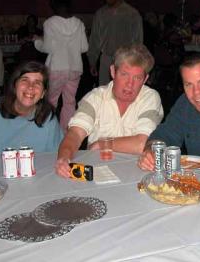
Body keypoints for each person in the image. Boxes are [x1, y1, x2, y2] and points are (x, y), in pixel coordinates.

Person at [55, 44, 163, 178]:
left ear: (145, 79)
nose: (130, 84)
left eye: (137, 78)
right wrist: (64, 159)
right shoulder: (95, 97)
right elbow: (75, 134)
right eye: (124, 74)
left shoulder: (150, 98)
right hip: (98, 173)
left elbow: (142, 143)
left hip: (136, 175)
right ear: (113, 71)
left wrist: (103, 144)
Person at [34, 0, 88, 130]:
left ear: (54, 5)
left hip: (56, 68)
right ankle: (65, 135)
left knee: (51, 101)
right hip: (75, 68)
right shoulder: (79, 23)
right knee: (70, 103)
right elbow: (84, 48)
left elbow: (47, 48)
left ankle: (48, 131)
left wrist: (36, 42)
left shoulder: (50, 23)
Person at [87, 0, 143, 86]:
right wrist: (92, 61)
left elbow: (138, 41)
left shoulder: (132, 14)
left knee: (123, 89)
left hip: (125, 60)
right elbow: (94, 39)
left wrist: (136, 62)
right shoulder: (100, 14)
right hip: (106, 60)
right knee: (104, 90)